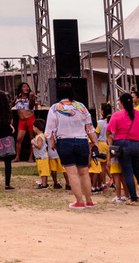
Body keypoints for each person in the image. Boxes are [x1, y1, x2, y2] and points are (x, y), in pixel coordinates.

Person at [44, 81, 98, 209]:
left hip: (64, 141)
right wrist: (94, 141)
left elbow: (49, 130)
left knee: (72, 173)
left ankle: (79, 201)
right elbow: (89, 127)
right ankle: (89, 200)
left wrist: (52, 142)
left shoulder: (55, 108)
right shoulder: (81, 106)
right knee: (84, 172)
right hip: (82, 141)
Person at [108, 92, 139, 204]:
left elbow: (110, 130)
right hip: (137, 145)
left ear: (121, 103)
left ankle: (134, 198)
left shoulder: (116, 115)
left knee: (128, 173)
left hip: (123, 145)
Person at [13, 81, 36, 160]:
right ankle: (17, 156)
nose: (26, 88)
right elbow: (11, 104)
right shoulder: (17, 97)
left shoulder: (30, 97)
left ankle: (31, 157)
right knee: (19, 139)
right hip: (22, 120)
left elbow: (31, 106)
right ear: (21, 89)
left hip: (30, 119)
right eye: (24, 87)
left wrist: (32, 98)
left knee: (32, 138)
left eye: (27, 87)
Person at [31, 120, 50, 188]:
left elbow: (39, 146)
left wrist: (33, 143)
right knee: (42, 170)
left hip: (42, 157)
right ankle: (43, 182)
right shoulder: (39, 136)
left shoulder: (39, 137)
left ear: (36, 128)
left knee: (43, 171)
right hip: (40, 157)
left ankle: (44, 184)